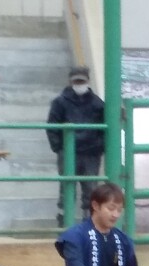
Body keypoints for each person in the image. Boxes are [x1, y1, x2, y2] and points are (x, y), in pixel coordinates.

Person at [46, 65, 105, 226]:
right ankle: (67, 224)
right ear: (71, 81)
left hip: (89, 153)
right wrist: (60, 148)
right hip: (71, 152)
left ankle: (86, 224)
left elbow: (104, 129)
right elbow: (52, 126)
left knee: (90, 190)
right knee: (67, 190)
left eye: (81, 81)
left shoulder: (97, 104)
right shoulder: (60, 103)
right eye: (77, 81)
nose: (79, 84)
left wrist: (98, 147)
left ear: (87, 81)